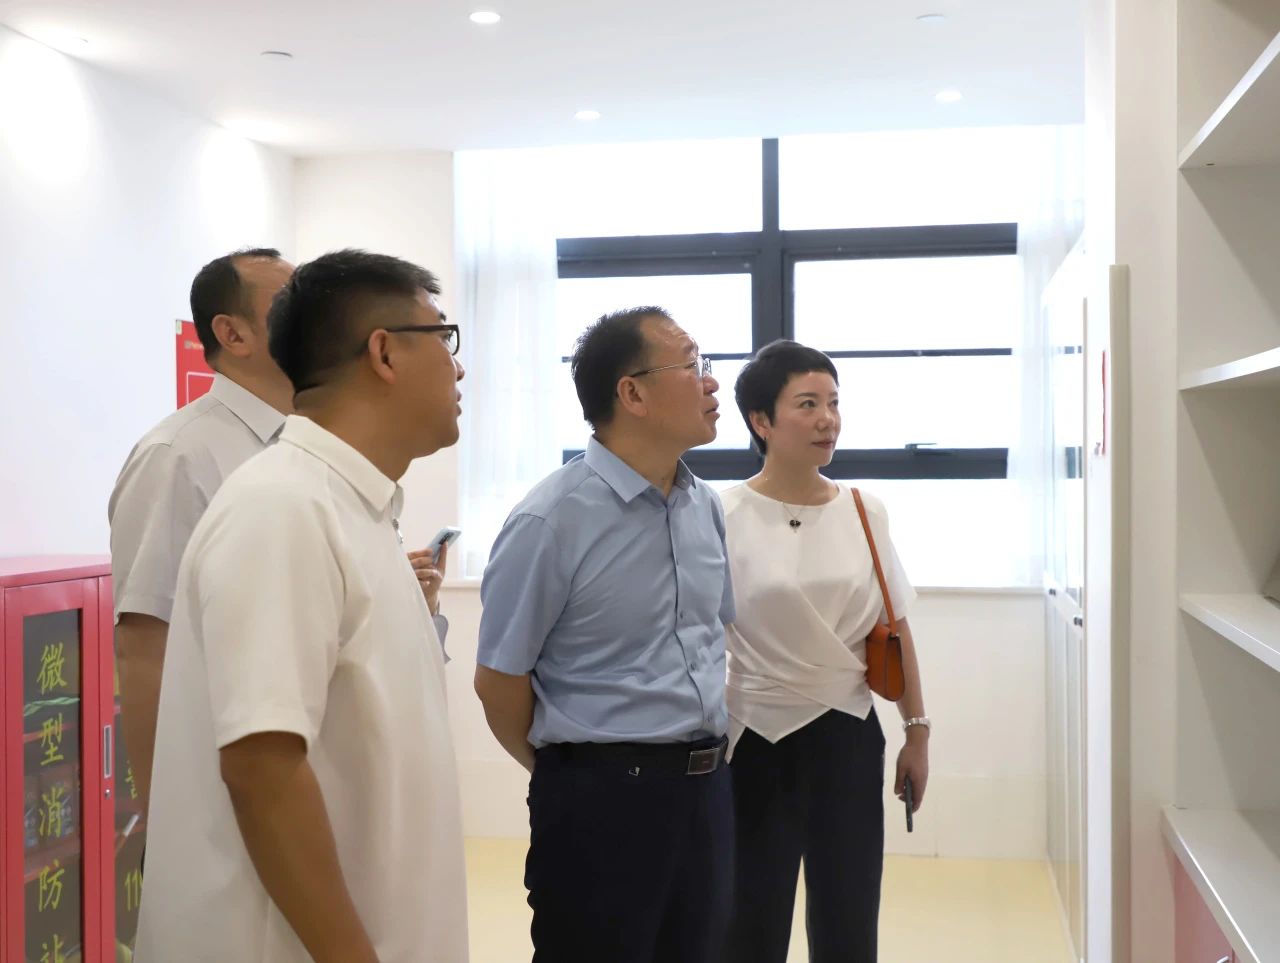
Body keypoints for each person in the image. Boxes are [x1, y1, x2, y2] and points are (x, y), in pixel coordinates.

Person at [134, 249, 469, 963]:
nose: (458, 367)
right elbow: (263, 768)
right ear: (384, 352)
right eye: (444, 338)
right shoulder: (282, 507)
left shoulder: (357, 506)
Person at [474, 306, 736, 963]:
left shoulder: (704, 506)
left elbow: (712, 638)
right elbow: (499, 681)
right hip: (600, 805)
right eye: (693, 364)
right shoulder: (550, 520)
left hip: (706, 794)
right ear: (632, 393)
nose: (712, 381)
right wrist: (579, 773)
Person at [719, 339, 930, 963]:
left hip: (848, 735)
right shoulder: (721, 512)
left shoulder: (864, 510)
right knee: (749, 924)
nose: (827, 419)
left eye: (833, 403)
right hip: (753, 738)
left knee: (849, 921)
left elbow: (895, 626)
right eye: (807, 404)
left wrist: (917, 733)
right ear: (761, 421)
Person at [109, 247, 294, 813]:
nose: (316, 318)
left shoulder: (301, 443)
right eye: (292, 303)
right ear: (232, 334)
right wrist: (165, 817)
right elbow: (145, 646)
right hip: (215, 790)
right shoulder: (178, 455)